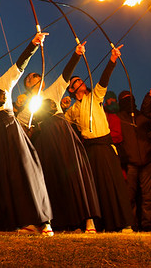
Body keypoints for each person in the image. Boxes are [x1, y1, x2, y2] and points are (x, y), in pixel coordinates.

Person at [0, 32, 54, 235]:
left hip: (9, 128)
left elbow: (20, 65)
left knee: (22, 169)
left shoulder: (4, 82)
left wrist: (33, 44)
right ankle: (3, 220)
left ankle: (39, 220)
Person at [23, 43, 100, 233]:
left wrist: (76, 55)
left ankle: (88, 221)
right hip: (43, 140)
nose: (38, 79)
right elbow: (21, 125)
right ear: (27, 85)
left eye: (38, 76)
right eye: (32, 78)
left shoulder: (52, 92)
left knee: (74, 174)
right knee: (50, 178)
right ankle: (52, 222)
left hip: (62, 134)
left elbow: (66, 75)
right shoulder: (26, 105)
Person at [64, 44, 134, 232]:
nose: (80, 82)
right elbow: (62, 122)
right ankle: (97, 223)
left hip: (104, 145)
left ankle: (124, 223)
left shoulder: (95, 97)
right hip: (89, 149)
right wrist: (62, 106)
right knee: (94, 187)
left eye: (80, 80)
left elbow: (103, 81)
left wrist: (112, 60)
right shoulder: (72, 110)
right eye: (75, 82)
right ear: (71, 89)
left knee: (113, 183)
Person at [116, 89, 151, 232]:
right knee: (129, 196)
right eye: (125, 99)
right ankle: (131, 224)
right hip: (129, 162)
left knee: (149, 196)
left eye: (130, 98)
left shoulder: (143, 116)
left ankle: (148, 225)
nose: (128, 101)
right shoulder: (118, 119)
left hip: (148, 160)